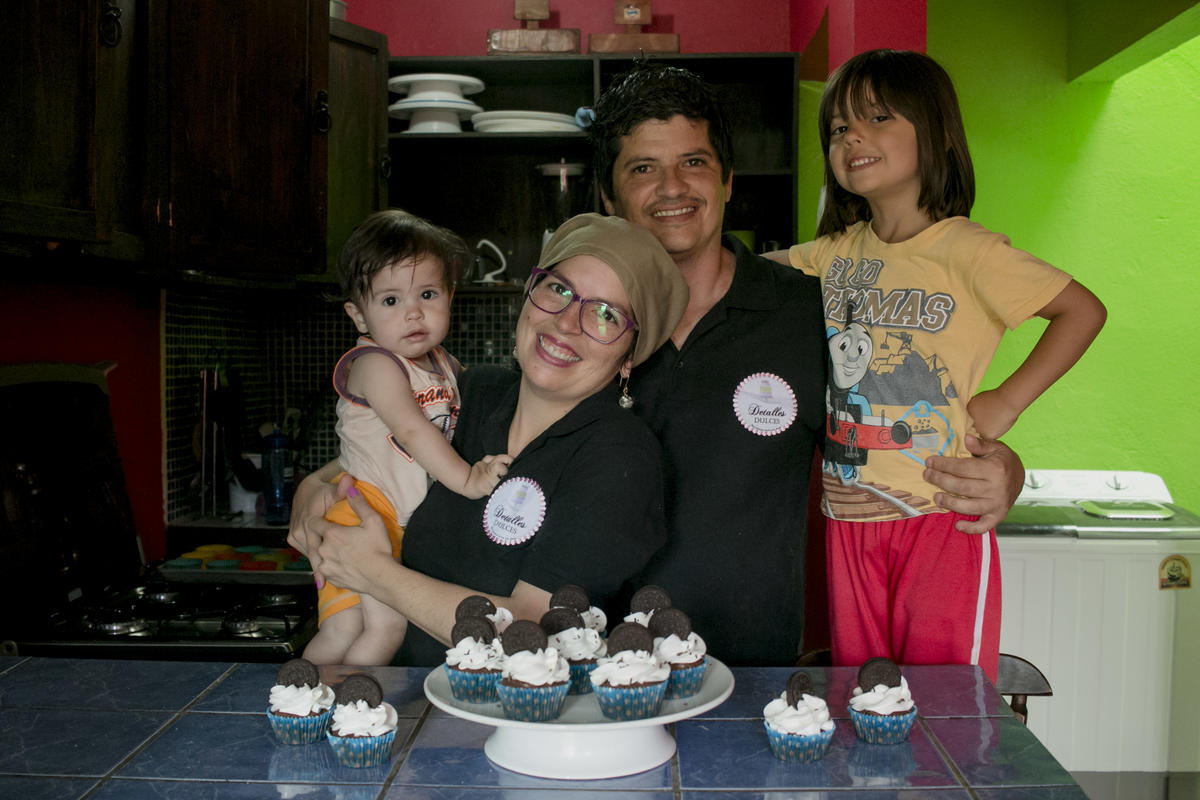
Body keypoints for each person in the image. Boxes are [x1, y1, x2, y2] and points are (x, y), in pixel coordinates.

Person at [583, 62, 1026, 667]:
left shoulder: (811, 307)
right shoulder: (578, 324)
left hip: (759, 676)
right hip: (594, 660)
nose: (672, 188)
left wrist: (1003, 469)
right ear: (610, 196)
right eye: (642, 169)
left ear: (728, 179)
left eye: (694, 162)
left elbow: (910, 397)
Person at [771, 49, 1106, 681]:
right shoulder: (833, 254)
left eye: (875, 117)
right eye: (839, 127)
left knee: (945, 702)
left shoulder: (971, 252)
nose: (852, 137)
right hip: (847, 517)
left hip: (940, 512)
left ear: (937, 134)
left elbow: (1082, 311)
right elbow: (741, 278)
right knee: (861, 696)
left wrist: (1006, 401)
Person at [289, 213, 691, 666]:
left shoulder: (621, 461)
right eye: (558, 290)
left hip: (508, 722)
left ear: (628, 357)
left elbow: (534, 631)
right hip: (395, 710)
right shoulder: (474, 392)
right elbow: (393, 440)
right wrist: (315, 485)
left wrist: (374, 574)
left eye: (605, 314)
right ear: (529, 295)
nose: (566, 323)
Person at [302, 210, 512, 666]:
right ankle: (304, 702)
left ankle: (321, 709)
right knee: (366, 629)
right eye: (391, 301)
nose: (414, 312)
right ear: (358, 315)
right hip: (364, 514)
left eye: (428, 294)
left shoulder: (444, 366)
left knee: (362, 628)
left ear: (450, 297)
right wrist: (469, 481)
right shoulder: (375, 364)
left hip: (397, 521)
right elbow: (414, 430)